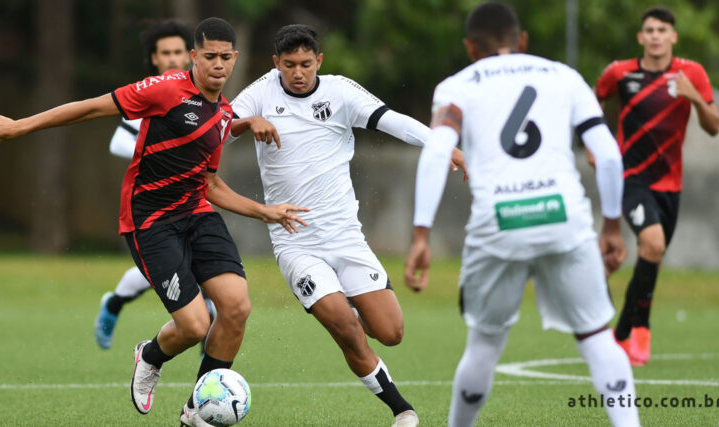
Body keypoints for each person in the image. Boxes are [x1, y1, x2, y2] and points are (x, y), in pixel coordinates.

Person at [0, 17, 308, 426]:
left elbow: (210, 184)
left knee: (236, 308)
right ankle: (150, 355)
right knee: (196, 325)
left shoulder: (222, 115)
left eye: (225, 57)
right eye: (209, 56)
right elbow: (91, 107)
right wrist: (19, 126)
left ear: (235, 59)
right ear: (193, 57)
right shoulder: (165, 89)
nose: (218, 64)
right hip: (151, 221)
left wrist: (264, 212)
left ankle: (196, 413)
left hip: (196, 214)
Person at [404, 2, 640, 426]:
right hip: (564, 218)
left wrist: (421, 234)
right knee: (596, 337)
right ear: (523, 40)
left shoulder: (457, 86)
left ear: (469, 47)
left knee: (484, 346)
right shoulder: (564, 77)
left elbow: (438, 151)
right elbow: (606, 153)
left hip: (499, 224)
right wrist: (611, 227)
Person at [229, 24, 465, 427]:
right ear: (276, 64)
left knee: (390, 333)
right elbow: (216, 128)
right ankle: (402, 410)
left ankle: (345, 302)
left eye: (306, 64)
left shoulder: (340, 91)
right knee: (346, 329)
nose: (298, 72)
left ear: (319, 60)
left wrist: (443, 147)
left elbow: (397, 122)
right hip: (296, 243)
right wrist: (247, 122)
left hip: (345, 237)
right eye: (289, 65)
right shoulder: (260, 93)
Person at [594, 6, 719, 367]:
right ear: (640, 37)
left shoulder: (691, 73)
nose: (655, 35)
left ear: (673, 36)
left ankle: (619, 334)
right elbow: (589, 102)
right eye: (649, 29)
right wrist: (593, 144)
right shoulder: (620, 72)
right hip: (629, 179)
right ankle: (639, 331)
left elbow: (713, 127)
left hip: (671, 185)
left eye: (662, 29)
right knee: (653, 243)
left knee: (653, 256)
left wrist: (693, 96)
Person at [94, 20, 218, 353]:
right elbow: (118, 143)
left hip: (190, 202)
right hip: (150, 207)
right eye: (166, 53)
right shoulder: (148, 93)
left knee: (192, 273)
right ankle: (118, 303)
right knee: (174, 274)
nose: (173, 59)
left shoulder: (202, 93)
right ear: (154, 58)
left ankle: (205, 343)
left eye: (179, 51)